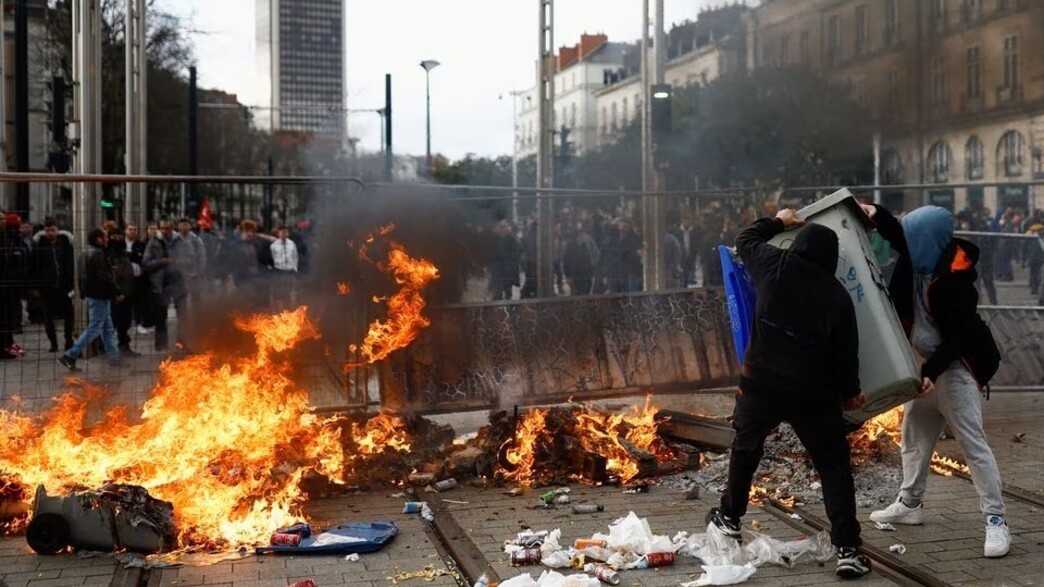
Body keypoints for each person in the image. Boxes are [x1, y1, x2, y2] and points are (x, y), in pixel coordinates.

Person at [705, 209, 873, 580]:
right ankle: (847, 550)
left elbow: (745, 239)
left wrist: (779, 221)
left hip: (760, 382)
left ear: (798, 246)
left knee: (746, 448)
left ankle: (729, 518)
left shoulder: (775, 266)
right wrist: (851, 393)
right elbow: (846, 357)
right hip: (812, 394)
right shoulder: (838, 298)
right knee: (833, 466)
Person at [864, 204, 1009, 559]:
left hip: (956, 369)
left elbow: (958, 340)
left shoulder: (957, 284)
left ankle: (996, 519)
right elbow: (897, 235)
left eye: (913, 237)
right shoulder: (919, 256)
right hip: (924, 365)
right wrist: (874, 212)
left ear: (927, 240)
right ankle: (910, 503)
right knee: (914, 436)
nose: (906, 243)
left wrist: (929, 373)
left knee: (973, 444)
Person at [57, 228, 125, 371]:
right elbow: (104, 276)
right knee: (95, 328)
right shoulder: (98, 254)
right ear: (98, 239)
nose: (108, 239)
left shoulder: (85, 252)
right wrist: (117, 292)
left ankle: (114, 357)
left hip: (95, 295)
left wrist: (84, 292)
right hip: (99, 296)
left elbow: (82, 276)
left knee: (107, 328)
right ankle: (70, 355)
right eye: (105, 236)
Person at [142, 220, 188, 352]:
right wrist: (162, 261)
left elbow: (190, 259)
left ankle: (182, 342)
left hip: (178, 282)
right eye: (162, 228)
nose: (164, 231)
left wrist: (181, 263)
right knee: (160, 316)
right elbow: (146, 263)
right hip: (161, 284)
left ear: (172, 228)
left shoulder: (180, 241)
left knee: (183, 314)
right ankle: (161, 345)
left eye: (167, 228)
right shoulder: (153, 243)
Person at [30, 218, 76, 352]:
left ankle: (68, 340)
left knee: (69, 314)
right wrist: (35, 287)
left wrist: (71, 283)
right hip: (46, 286)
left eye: (52, 230)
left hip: (64, 286)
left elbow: (70, 264)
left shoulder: (65, 244)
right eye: (47, 230)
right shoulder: (40, 246)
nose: (50, 233)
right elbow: (34, 267)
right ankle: (53, 343)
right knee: (48, 316)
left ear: (57, 230)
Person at [106, 227, 139, 356]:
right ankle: (108, 349)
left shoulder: (125, 255)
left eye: (119, 237)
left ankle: (124, 345)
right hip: (112, 296)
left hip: (126, 295)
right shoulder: (106, 256)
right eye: (114, 237)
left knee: (124, 322)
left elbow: (129, 277)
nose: (117, 239)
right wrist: (116, 293)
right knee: (110, 323)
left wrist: (126, 293)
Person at [269, 225, 299, 308]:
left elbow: (295, 256)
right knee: (278, 290)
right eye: (281, 232)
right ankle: (278, 308)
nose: (283, 234)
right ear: (278, 233)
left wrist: (295, 268)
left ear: (288, 233)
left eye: (285, 232)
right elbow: (272, 257)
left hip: (289, 270)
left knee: (288, 290)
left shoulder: (292, 244)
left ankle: (287, 308)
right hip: (279, 270)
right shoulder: (274, 245)